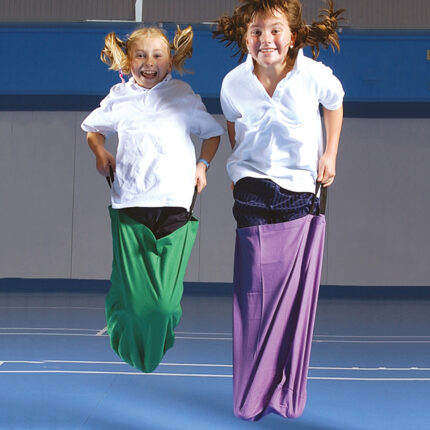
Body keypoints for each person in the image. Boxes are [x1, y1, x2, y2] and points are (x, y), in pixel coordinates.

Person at [214, 0, 344, 420]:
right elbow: (233, 125)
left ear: (292, 36)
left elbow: (335, 103)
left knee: (289, 293)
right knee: (254, 291)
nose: (265, 39)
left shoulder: (313, 75)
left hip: (298, 190)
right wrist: (240, 167)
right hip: (251, 189)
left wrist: (330, 155)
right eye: (256, 31)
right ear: (245, 37)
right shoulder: (233, 83)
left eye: (275, 30)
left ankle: (282, 387)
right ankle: (253, 390)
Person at [81, 26, 224, 373]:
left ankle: (153, 334)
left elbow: (212, 134)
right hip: (129, 204)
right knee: (134, 302)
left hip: (176, 204)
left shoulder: (182, 95)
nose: (149, 62)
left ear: (169, 61)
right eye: (141, 55)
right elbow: (93, 131)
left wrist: (202, 165)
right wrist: (101, 152)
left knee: (164, 306)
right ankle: (121, 320)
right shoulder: (119, 96)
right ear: (128, 61)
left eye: (157, 55)